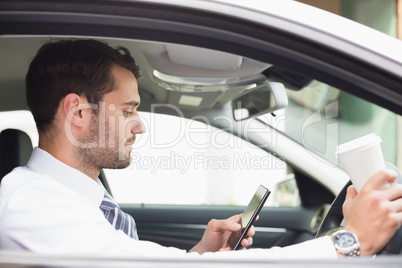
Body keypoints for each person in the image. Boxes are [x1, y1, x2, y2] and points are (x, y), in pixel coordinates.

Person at [0, 39, 401, 260]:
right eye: (127, 111)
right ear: (78, 112)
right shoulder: (30, 204)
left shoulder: (73, 200)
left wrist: (198, 252)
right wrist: (349, 241)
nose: (139, 125)